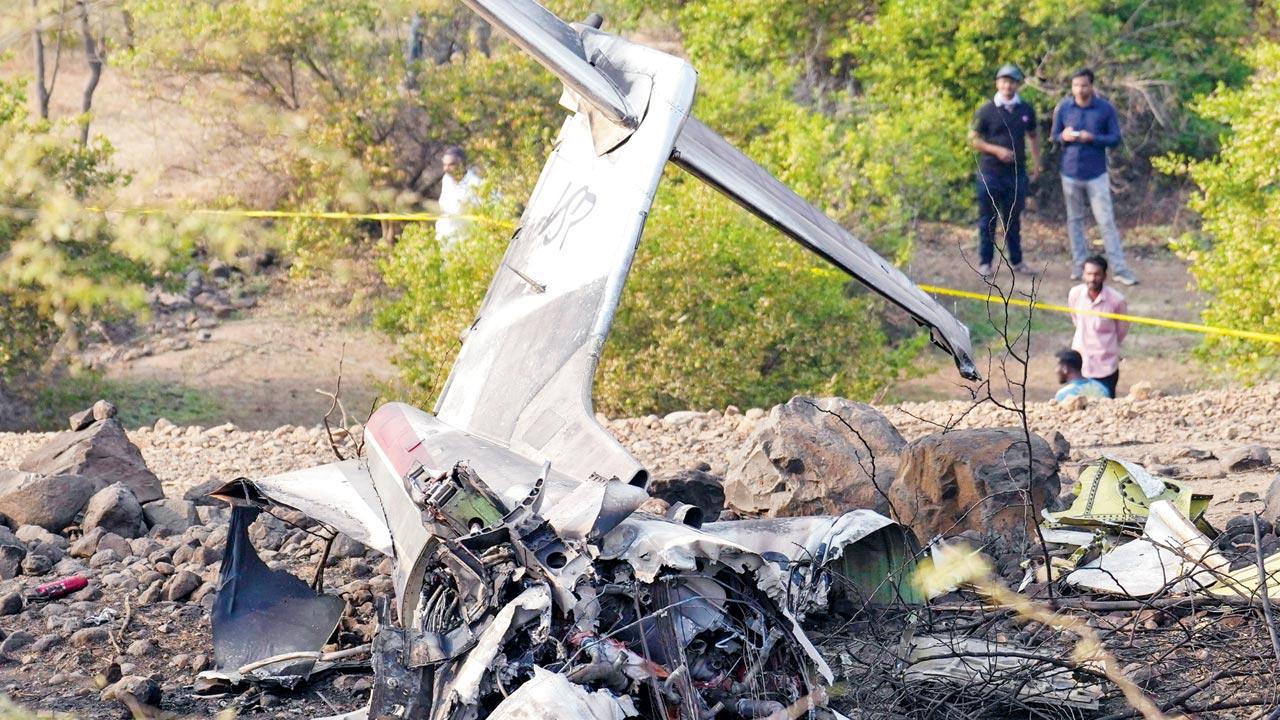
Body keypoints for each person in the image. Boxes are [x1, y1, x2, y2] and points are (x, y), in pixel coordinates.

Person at [1051, 68, 1138, 285]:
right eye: (1076, 85)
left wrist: (1094, 138)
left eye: (1084, 85)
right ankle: (1080, 266)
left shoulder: (1104, 109)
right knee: (1075, 221)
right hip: (1070, 173)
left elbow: (1115, 138)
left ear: (1091, 86)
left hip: (1096, 173)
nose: (1079, 89)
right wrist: (1063, 136)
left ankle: (1119, 268)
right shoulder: (1064, 108)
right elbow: (1054, 136)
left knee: (1106, 221)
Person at [970, 63, 1041, 277]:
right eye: (1003, 81)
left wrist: (1037, 164)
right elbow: (974, 140)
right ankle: (985, 262)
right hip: (990, 173)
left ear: (1017, 85)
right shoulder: (986, 110)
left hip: (1016, 175)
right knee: (987, 220)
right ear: (997, 83)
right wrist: (996, 151)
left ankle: (1017, 262)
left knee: (1013, 220)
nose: (1007, 85)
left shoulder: (1025, 110)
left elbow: (1033, 136)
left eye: (1011, 82)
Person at [1068, 255, 1129, 397]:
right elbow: (1076, 319)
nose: (1092, 279)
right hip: (1080, 363)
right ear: (1083, 275)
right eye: (1089, 274)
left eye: (1096, 274)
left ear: (1104, 276)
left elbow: (1122, 330)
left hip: (1105, 366)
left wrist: (1107, 346)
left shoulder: (1116, 301)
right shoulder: (1075, 294)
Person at [436, 146, 482, 250]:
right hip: (445, 241)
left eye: (451, 165)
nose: (446, 169)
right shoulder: (447, 180)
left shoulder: (476, 184)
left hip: (466, 243)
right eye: (444, 165)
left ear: (461, 164)